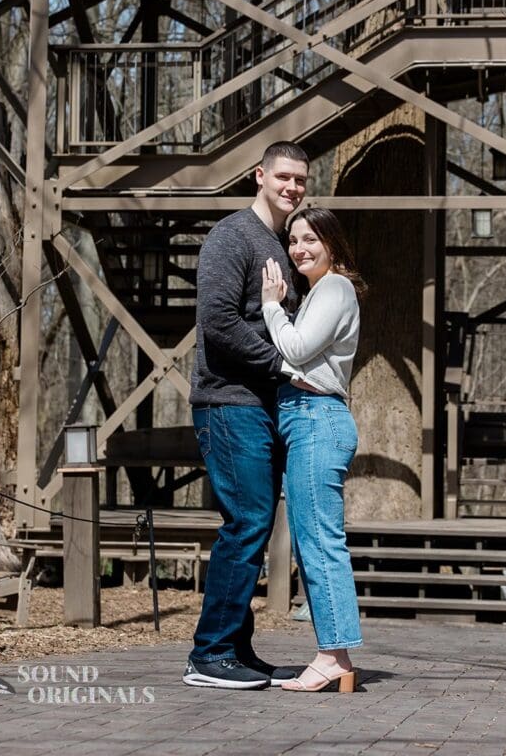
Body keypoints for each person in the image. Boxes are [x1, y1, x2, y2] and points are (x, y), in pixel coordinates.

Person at [182, 141, 310, 690]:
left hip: (264, 405)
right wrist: (281, 365)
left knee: (253, 526)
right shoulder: (232, 237)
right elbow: (218, 322)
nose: (292, 188)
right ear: (260, 175)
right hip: (227, 402)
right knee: (249, 522)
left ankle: (235, 648)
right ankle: (208, 654)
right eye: (283, 176)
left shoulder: (283, 246)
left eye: (301, 180)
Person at [261, 207, 365, 693]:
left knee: (320, 542)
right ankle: (334, 654)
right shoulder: (320, 291)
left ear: (333, 243)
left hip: (316, 419)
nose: (299, 248)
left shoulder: (335, 288)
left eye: (310, 239)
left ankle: (334, 657)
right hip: (308, 419)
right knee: (313, 541)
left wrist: (270, 306)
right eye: (294, 240)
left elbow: (298, 349)